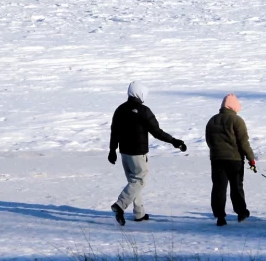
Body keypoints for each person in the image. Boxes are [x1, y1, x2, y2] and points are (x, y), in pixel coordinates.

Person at [108, 81, 187, 226]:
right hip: (138, 153)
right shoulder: (144, 111)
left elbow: (115, 132)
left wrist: (112, 150)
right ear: (140, 93)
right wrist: (174, 141)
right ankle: (120, 205)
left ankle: (139, 213)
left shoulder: (120, 109)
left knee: (133, 183)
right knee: (139, 181)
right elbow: (157, 132)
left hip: (124, 153)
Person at [204, 93, 256, 226]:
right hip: (235, 159)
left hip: (217, 159)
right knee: (236, 186)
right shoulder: (237, 120)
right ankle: (241, 212)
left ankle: (220, 216)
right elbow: (243, 142)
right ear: (234, 106)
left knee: (219, 187)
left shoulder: (212, 120)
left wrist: (215, 151)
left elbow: (209, 140)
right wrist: (251, 158)